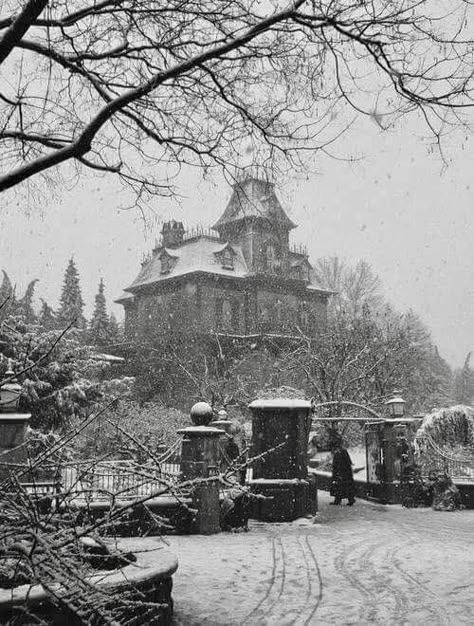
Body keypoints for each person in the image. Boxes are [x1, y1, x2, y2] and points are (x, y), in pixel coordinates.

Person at [330, 438, 356, 506]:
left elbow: (344, 463)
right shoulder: (341, 452)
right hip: (343, 473)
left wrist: (339, 472)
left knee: (343, 487)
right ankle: (342, 500)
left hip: (344, 473)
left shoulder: (341, 452)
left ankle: (348, 500)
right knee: (341, 487)